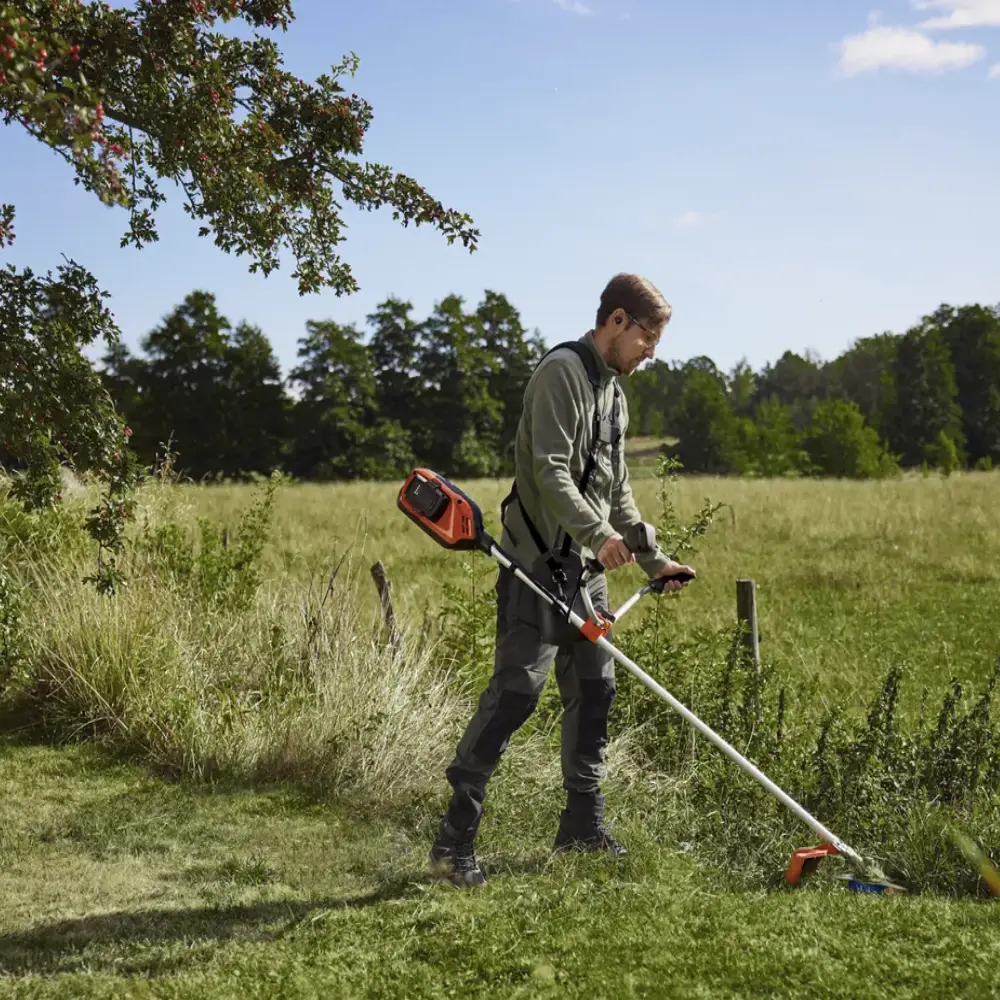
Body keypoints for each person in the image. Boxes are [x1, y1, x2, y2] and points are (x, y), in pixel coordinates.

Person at [429, 272, 696, 888]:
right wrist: (598, 536)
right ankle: (453, 840)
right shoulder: (561, 373)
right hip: (534, 565)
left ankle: (581, 828)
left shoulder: (614, 396)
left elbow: (617, 492)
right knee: (516, 695)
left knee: (595, 690)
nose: (651, 353)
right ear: (617, 321)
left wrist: (654, 561)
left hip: (586, 573)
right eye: (648, 338)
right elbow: (550, 472)